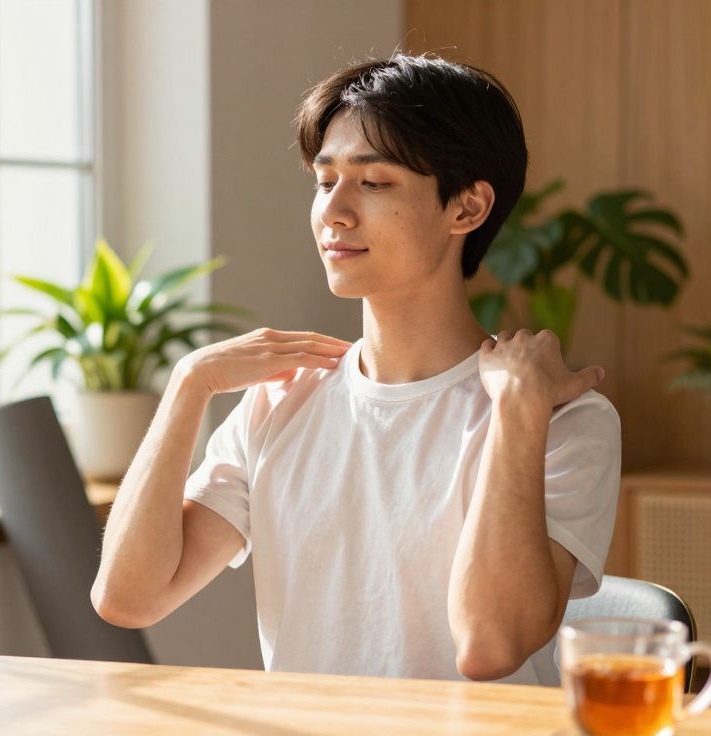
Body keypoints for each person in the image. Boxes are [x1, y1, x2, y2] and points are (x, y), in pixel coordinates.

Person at [91, 54, 621, 685]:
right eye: (324, 181)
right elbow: (128, 598)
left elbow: (490, 647)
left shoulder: (562, 420)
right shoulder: (279, 403)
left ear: (467, 208)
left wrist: (516, 412)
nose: (333, 213)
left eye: (373, 183)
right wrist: (188, 386)